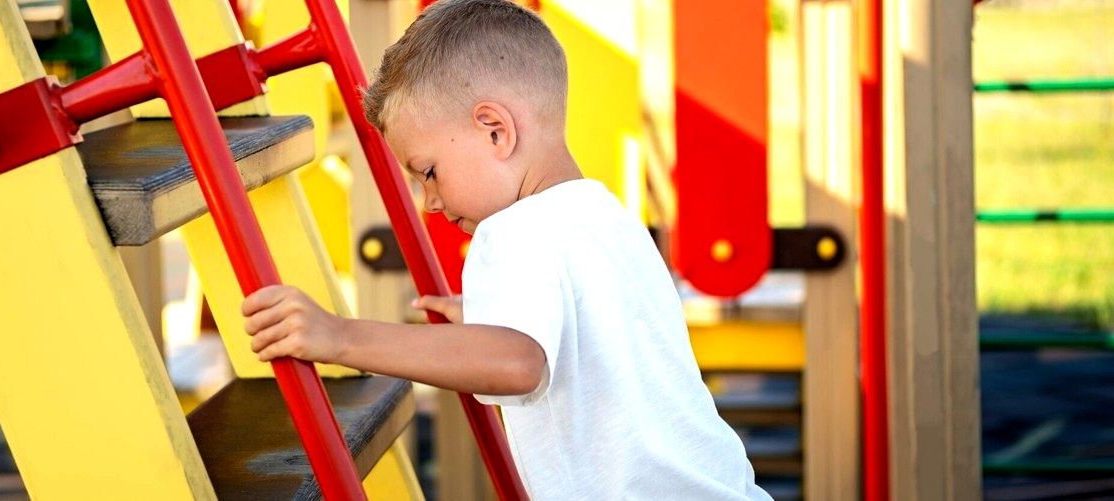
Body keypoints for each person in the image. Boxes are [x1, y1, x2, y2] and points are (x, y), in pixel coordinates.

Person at [241, 0, 771, 498]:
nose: (429, 201)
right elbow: (594, 327)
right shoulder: (603, 214)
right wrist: (485, 317)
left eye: (428, 172)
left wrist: (342, 337)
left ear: (495, 131)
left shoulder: (512, 231)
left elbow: (518, 363)